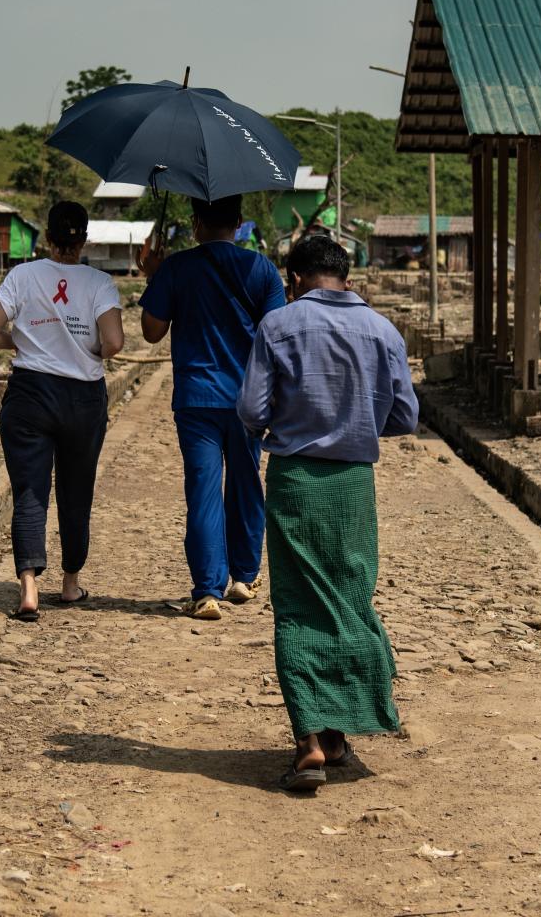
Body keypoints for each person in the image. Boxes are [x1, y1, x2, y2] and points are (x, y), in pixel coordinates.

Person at [236, 233, 419, 792]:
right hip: (352, 487)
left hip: (294, 480)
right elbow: (406, 416)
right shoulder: (382, 331)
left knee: (296, 604)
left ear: (293, 279)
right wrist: (360, 421)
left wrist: (290, 421)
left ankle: (312, 739)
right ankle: (341, 729)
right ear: (348, 276)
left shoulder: (279, 325)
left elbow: (251, 409)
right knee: (347, 596)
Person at [138, 195, 287, 620]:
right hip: (247, 398)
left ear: (196, 222)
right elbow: (275, 334)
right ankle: (244, 575)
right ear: (239, 223)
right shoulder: (260, 269)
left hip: (196, 397)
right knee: (246, 484)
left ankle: (206, 591)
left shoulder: (177, 267)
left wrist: (154, 275)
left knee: (203, 490)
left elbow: (151, 332)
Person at [0, 201, 125, 622]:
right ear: (85, 240)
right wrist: (90, 349)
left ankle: (28, 588)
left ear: (46, 239)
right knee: (76, 492)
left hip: (30, 396)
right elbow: (113, 342)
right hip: (83, 398)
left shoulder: (22, 276)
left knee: (30, 491)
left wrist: (19, 343)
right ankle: (70, 583)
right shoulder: (100, 282)